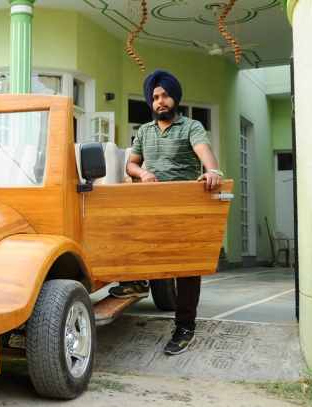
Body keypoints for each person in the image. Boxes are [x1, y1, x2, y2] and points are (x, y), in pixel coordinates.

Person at [109, 69, 223, 356]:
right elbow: (130, 165)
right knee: (127, 231)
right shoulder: (145, 131)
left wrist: (212, 171)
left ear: (174, 98)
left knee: (187, 269)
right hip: (152, 202)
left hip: (184, 204)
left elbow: (204, 152)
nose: (160, 101)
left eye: (165, 96)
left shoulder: (191, 126)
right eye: (155, 97)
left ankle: (185, 328)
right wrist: (143, 172)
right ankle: (136, 281)